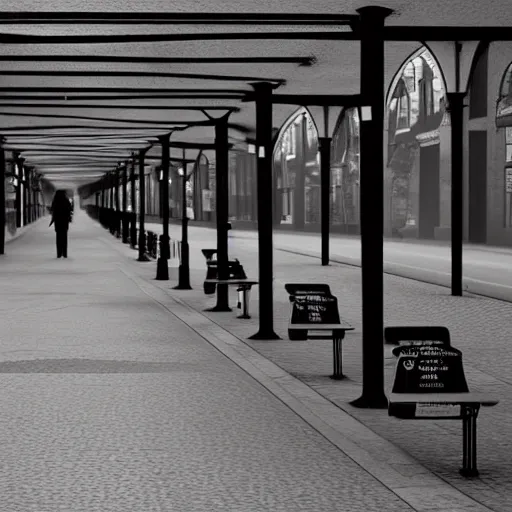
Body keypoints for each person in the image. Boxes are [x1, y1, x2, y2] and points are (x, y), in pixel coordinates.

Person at [49, 190, 73, 258]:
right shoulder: (66, 200)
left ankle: (59, 254)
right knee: (64, 237)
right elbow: (70, 209)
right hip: (65, 222)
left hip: (58, 221)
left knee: (58, 237)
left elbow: (52, 210)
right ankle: (65, 253)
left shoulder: (55, 201)